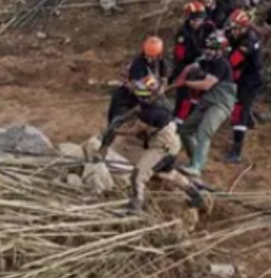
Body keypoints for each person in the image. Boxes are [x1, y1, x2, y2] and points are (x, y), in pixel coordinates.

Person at [97, 75, 209, 214]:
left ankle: (135, 205)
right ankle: (195, 195)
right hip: (171, 143)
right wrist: (123, 117)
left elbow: (133, 131)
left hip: (162, 147)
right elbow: (137, 109)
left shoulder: (152, 113)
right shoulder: (156, 104)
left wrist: (115, 131)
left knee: (138, 174)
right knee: (166, 173)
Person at [176, 30, 237, 177]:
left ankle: (197, 166)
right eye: (207, 48)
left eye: (212, 49)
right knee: (185, 130)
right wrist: (184, 73)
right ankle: (194, 159)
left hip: (221, 104)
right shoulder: (206, 60)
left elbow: (206, 85)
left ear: (220, 50)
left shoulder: (222, 64)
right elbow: (191, 67)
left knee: (204, 131)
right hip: (208, 101)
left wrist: (185, 83)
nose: (208, 51)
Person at [225, 9, 264, 164]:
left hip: (250, 80)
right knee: (242, 107)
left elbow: (231, 62)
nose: (232, 30)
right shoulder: (241, 35)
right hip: (244, 76)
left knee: (238, 111)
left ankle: (236, 150)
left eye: (235, 28)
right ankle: (249, 120)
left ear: (243, 27)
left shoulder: (247, 43)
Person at [105, 35, 166, 124]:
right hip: (129, 93)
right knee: (116, 119)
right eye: (148, 56)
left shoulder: (160, 61)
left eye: (153, 57)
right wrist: (151, 92)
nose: (150, 59)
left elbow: (164, 76)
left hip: (149, 93)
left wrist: (162, 88)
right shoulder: (138, 64)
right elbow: (135, 86)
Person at [171, 1, 212, 121]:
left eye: (199, 20)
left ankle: (192, 117)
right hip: (185, 67)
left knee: (198, 95)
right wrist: (199, 53)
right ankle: (178, 120)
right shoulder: (183, 33)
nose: (197, 22)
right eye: (194, 20)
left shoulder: (208, 27)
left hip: (201, 66)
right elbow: (180, 55)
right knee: (184, 96)